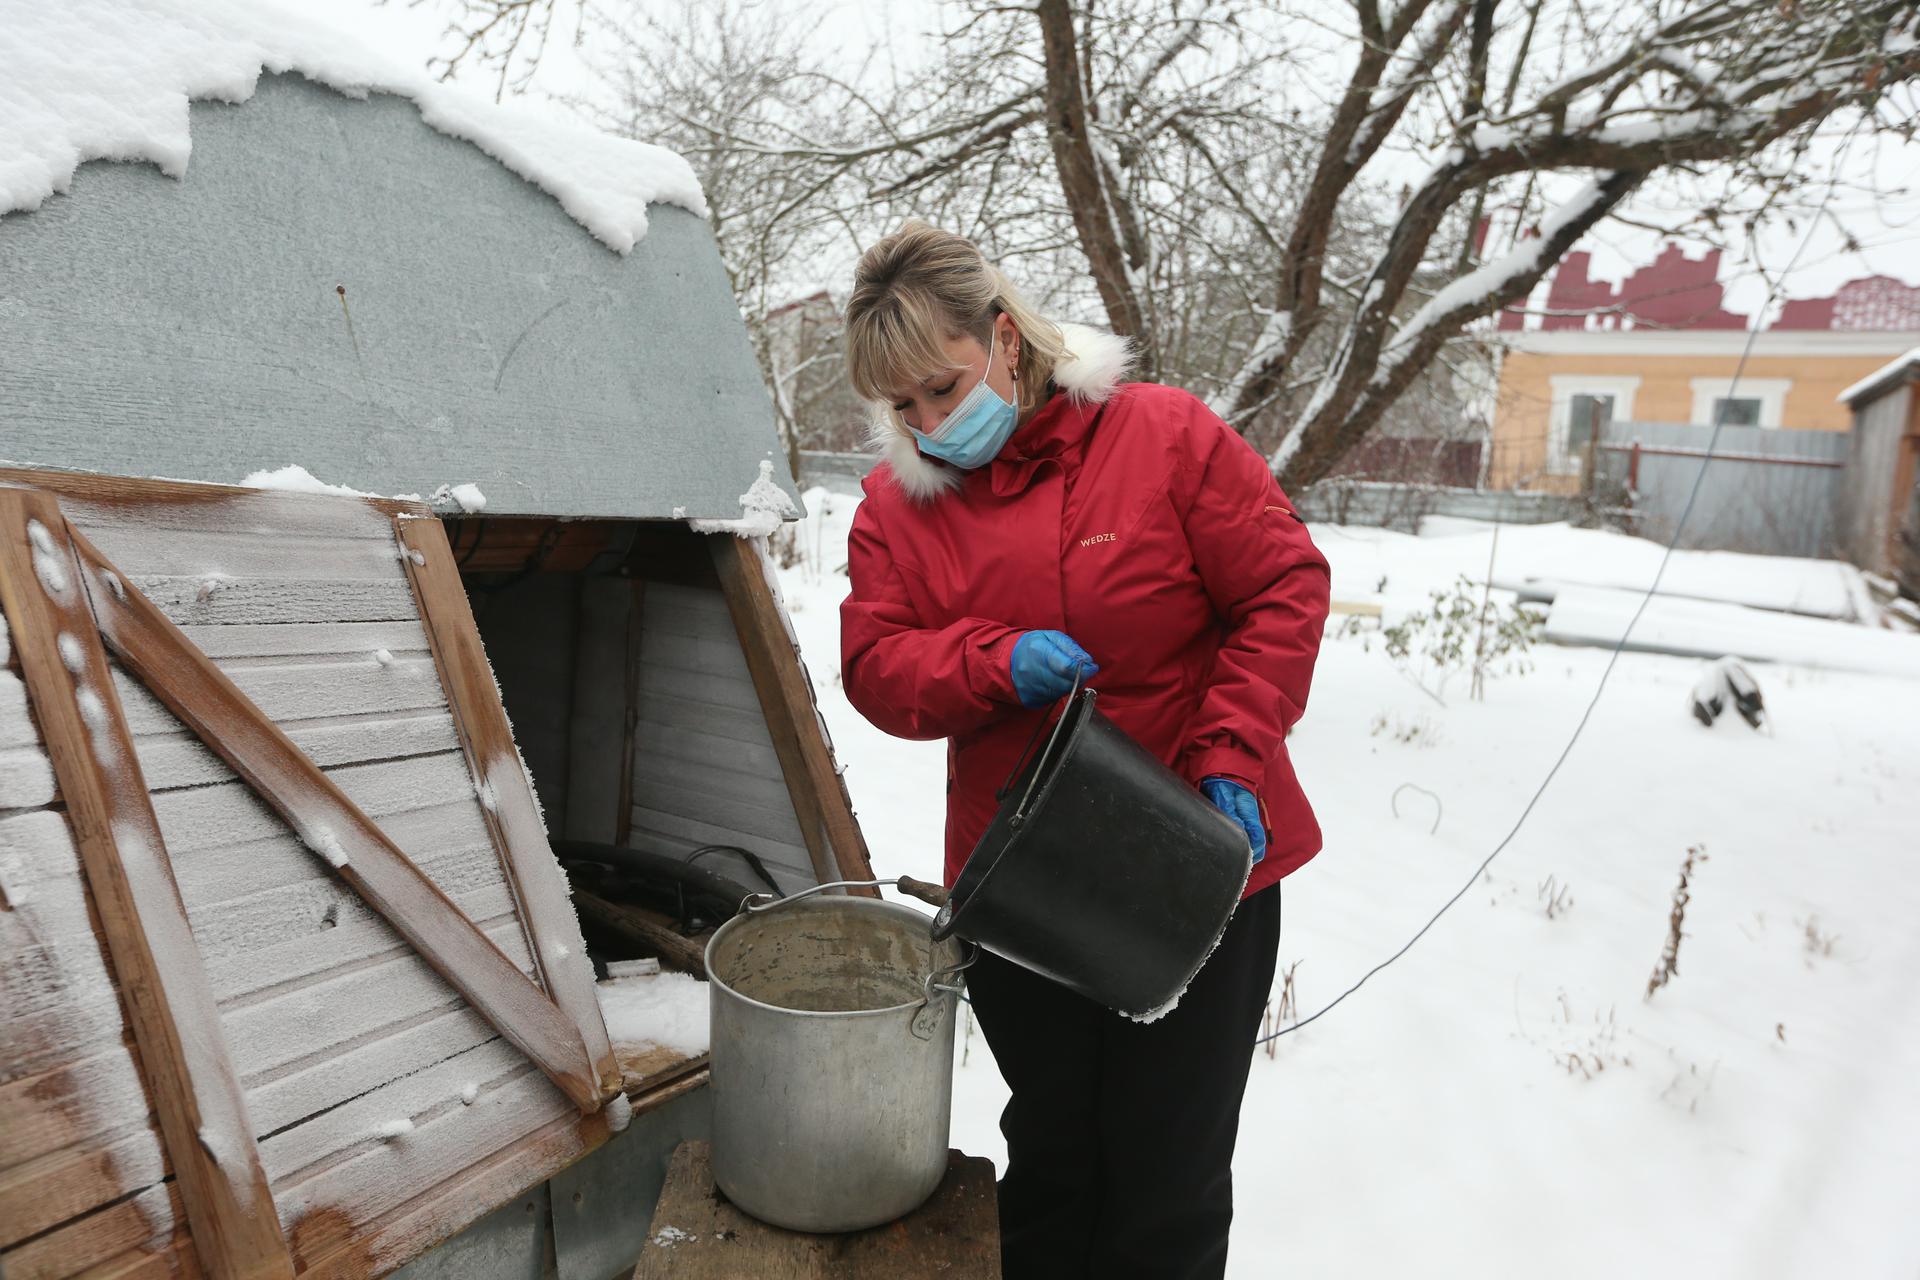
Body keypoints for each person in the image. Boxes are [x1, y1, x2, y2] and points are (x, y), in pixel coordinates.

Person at [837, 221, 1331, 1280]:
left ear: (1007, 339)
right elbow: (876, 664)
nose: (928, 421)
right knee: (1056, 1156)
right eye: (903, 405)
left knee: (1168, 1171)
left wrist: (1233, 752)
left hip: (1190, 854)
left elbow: (1282, 586)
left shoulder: (1159, 434)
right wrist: (989, 661)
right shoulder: (894, 508)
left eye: (943, 384)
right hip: (1025, 879)